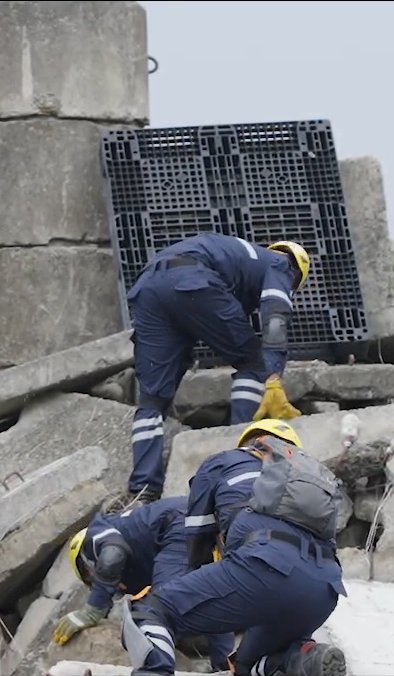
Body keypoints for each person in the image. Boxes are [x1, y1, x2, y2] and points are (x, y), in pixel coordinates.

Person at [121, 432, 346, 676]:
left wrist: (188, 593)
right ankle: (305, 659)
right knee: (246, 666)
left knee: (148, 610)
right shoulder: (310, 484)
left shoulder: (225, 461)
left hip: (264, 566)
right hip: (324, 589)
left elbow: (197, 540)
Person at [125, 233, 311, 505]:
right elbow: (275, 319)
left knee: (152, 399)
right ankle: (240, 454)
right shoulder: (281, 264)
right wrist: (272, 377)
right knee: (252, 364)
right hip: (192, 278)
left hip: (149, 286)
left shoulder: (240, 258)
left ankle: (143, 491)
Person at [56, 497, 234, 672]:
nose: (96, 581)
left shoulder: (94, 534)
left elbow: (112, 556)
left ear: (87, 563)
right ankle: (226, 666)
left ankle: (155, 671)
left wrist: (94, 608)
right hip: (202, 521)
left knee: (160, 608)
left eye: (91, 578)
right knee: (210, 598)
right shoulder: (142, 560)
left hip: (179, 524)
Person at [182, 418, 302, 569]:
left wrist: (197, 570)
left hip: (246, 557)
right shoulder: (305, 476)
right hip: (301, 563)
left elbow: (198, 528)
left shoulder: (222, 462)